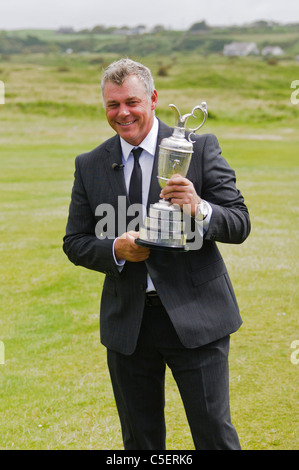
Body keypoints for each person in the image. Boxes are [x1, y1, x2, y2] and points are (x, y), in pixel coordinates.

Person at [63, 58, 251, 450]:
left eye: (131, 101)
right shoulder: (90, 164)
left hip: (197, 318)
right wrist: (116, 249)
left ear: (152, 98)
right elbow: (75, 241)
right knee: (140, 442)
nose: (123, 113)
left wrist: (198, 207)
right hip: (128, 325)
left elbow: (239, 223)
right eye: (112, 105)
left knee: (214, 436)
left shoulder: (198, 149)